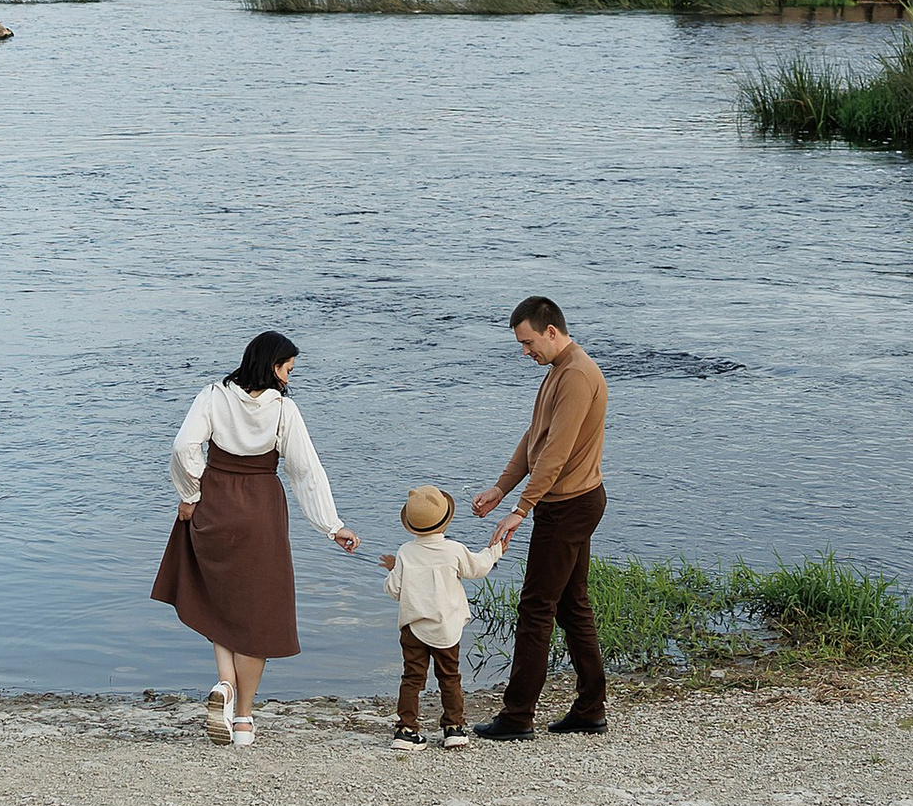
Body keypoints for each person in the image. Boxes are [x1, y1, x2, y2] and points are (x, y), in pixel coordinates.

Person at [153, 329, 360, 748]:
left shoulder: (212, 395)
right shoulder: (284, 410)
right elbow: (306, 471)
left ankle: (225, 686)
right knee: (259, 610)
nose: (290, 378)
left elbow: (182, 447)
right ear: (271, 366)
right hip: (262, 510)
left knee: (219, 598)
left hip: (216, 503)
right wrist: (331, 525)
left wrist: (190, 495)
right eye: (287, 369)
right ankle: (244, 718)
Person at [469, 296, 609, 739]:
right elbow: (535, 436)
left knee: (535, 608)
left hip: (568, 506)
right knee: (572, 607)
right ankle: (590, 709)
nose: (525, 352)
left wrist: (519, 510)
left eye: (528, 342)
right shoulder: (556, 372)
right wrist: (500, 487)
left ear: (551, 331)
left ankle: (516, 717)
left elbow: (556, 453)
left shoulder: (577, 375)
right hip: (566, 502)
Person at [380, 486, 511, 751]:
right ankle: (454, 728)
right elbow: (478, 568)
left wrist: (394, 570)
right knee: (450, 677)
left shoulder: (405, 552)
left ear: (411, 525)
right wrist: (496, 550)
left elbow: (394, 591)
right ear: (445, 520)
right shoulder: (454, 550)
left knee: (412, 678)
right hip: (446, 629)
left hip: (414, 628)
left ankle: (406, 731)